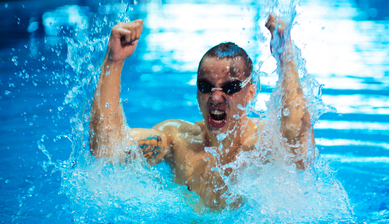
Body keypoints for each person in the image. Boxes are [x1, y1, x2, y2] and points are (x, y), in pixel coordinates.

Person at [89, 14, 314, 210]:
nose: (215, 98)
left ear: (250, 92)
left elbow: (299, 148)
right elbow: (106, 148)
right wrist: (113, 61)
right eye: (205, 87)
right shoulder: (178, 141)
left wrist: (287, 59)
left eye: (230, 87)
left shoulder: (262, 145)